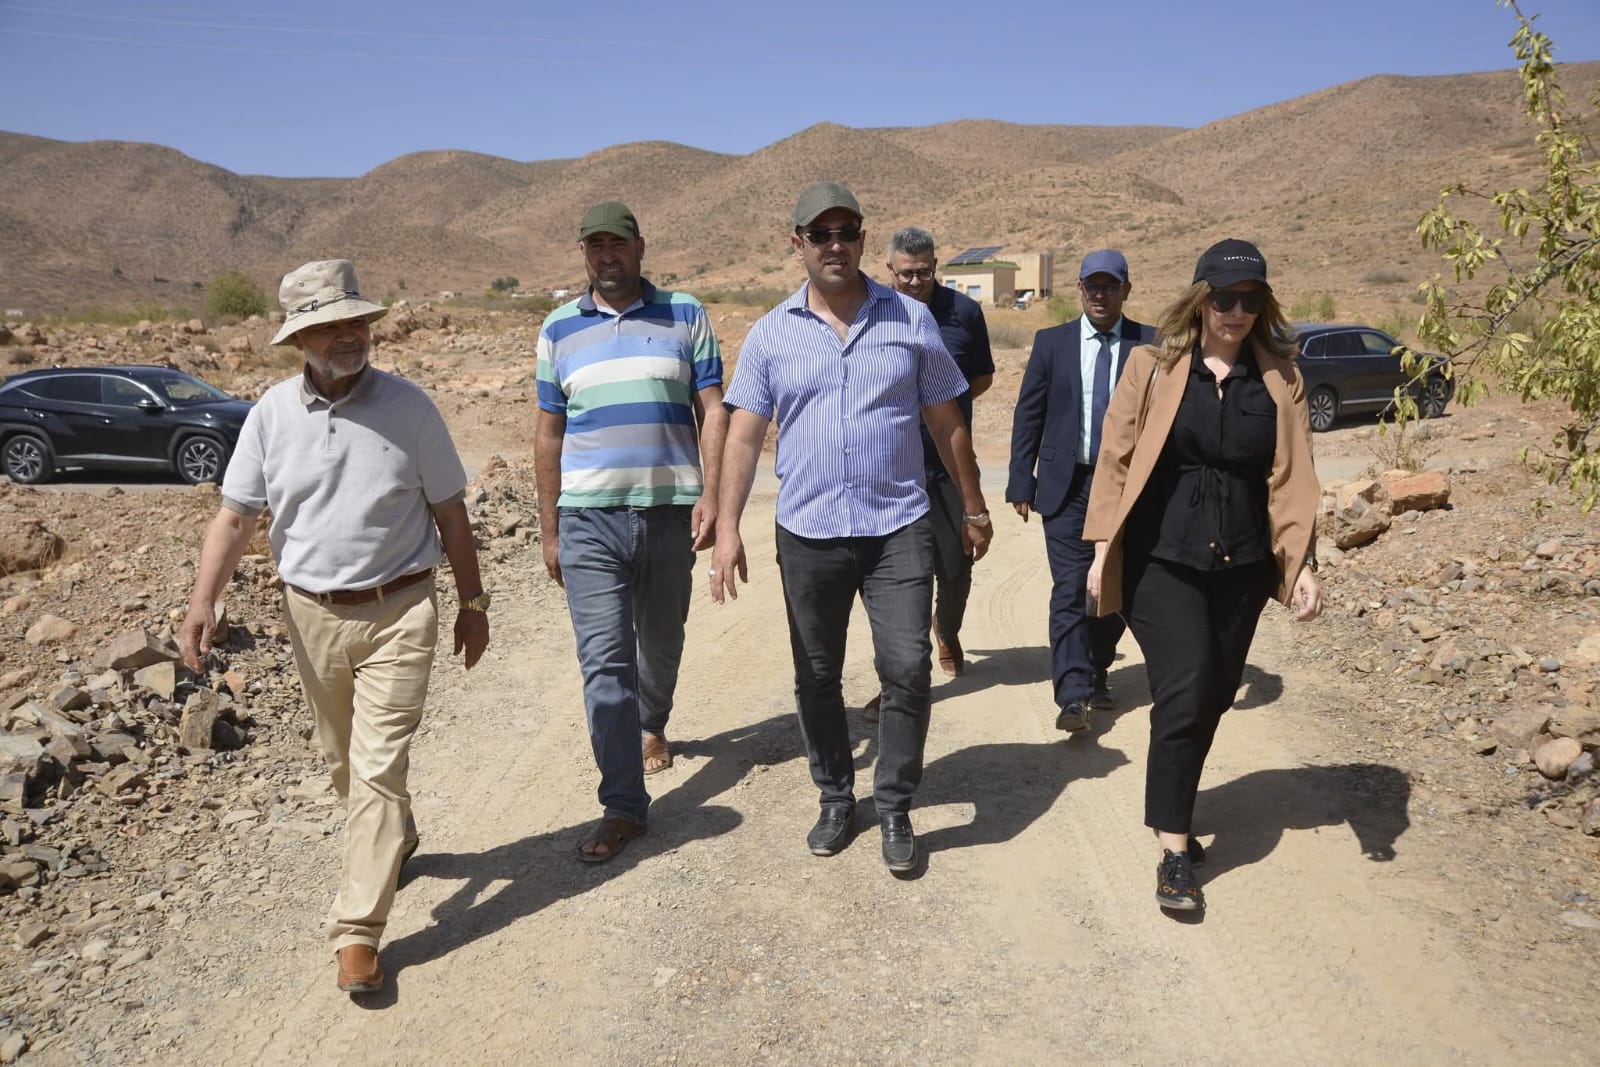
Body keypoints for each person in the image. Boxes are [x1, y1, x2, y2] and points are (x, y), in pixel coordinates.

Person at [178, 258, 490, 994]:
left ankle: (357, 931)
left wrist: (473, 604)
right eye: (329, 327)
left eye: (356, 321)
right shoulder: (269, 416)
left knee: (377, 766)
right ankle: (395, 835)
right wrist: (202, 599)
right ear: (299, 340)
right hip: (310, 614)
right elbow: (236, 517)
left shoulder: (411, 409)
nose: (348, 335)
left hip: (401, 610)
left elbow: (451, 513)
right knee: (345, 763)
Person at [710, 181, 992, 873]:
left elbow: (946, 421)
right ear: (798, 243)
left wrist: (974, 505)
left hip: (897, 527)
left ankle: (894, 803)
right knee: (816, 673)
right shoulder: (772, 333)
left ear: (863, 240)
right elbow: (744, 436)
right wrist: (726, 526)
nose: (834, 244)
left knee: (908, 667)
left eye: (846, 232)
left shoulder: (910, 319)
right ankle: (836, 796)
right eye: (820, 233)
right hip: (809, 533)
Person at [1083, 239, 1323, 913]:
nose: (1236, 311)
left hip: (1241, 566)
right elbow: (1115, 457)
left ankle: (1178, 801)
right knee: (1186, 687)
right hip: (1162, 559)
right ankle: (1173, 848)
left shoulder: (1281, 379)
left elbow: (1294, 477)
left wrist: (1302, 563)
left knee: (1215, 692)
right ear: (1200, 299)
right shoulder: (1153, 366)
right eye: (1224, 298)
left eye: (1250, 299)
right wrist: (1101, 548)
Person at [534, 202, 726, 865]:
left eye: (617, 244)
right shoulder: (559, 327)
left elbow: (713, 411)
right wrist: (550, 529)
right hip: (589, 521)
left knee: (662, 641)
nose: (606, 256)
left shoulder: (685, 314)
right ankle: (623, 805)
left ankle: (653, 721)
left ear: (641, 246)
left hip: (670, 512)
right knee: (604, 664)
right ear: (584, 253)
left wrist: (713, 496)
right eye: (595, 246)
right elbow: (549, 432)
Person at [1007, 250, 1155, 733]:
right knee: (1070, 587)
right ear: (1079, 289)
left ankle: (1096, 667)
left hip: (1127, 489)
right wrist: (1020, 478)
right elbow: (1029, 413)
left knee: (1113, 584)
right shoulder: (1052, 343)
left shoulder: (1150, 345)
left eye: (1110, 286)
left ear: (1126, 291)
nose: (1100, 294)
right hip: (1067, 485)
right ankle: (1072, 694)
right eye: (1092, 285)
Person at [867, 226, 994, 707]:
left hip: (948, 464)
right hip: (892, 466)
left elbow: (981, 376)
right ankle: (901, 682)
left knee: (956, 566)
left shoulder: (964, 313)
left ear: (936, 267)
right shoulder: (874, 312)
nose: (915, 281)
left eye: (923, 272)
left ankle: (949, 627)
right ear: (890, 270)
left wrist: (941, 406)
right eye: (906, 274)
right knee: (901, 579)